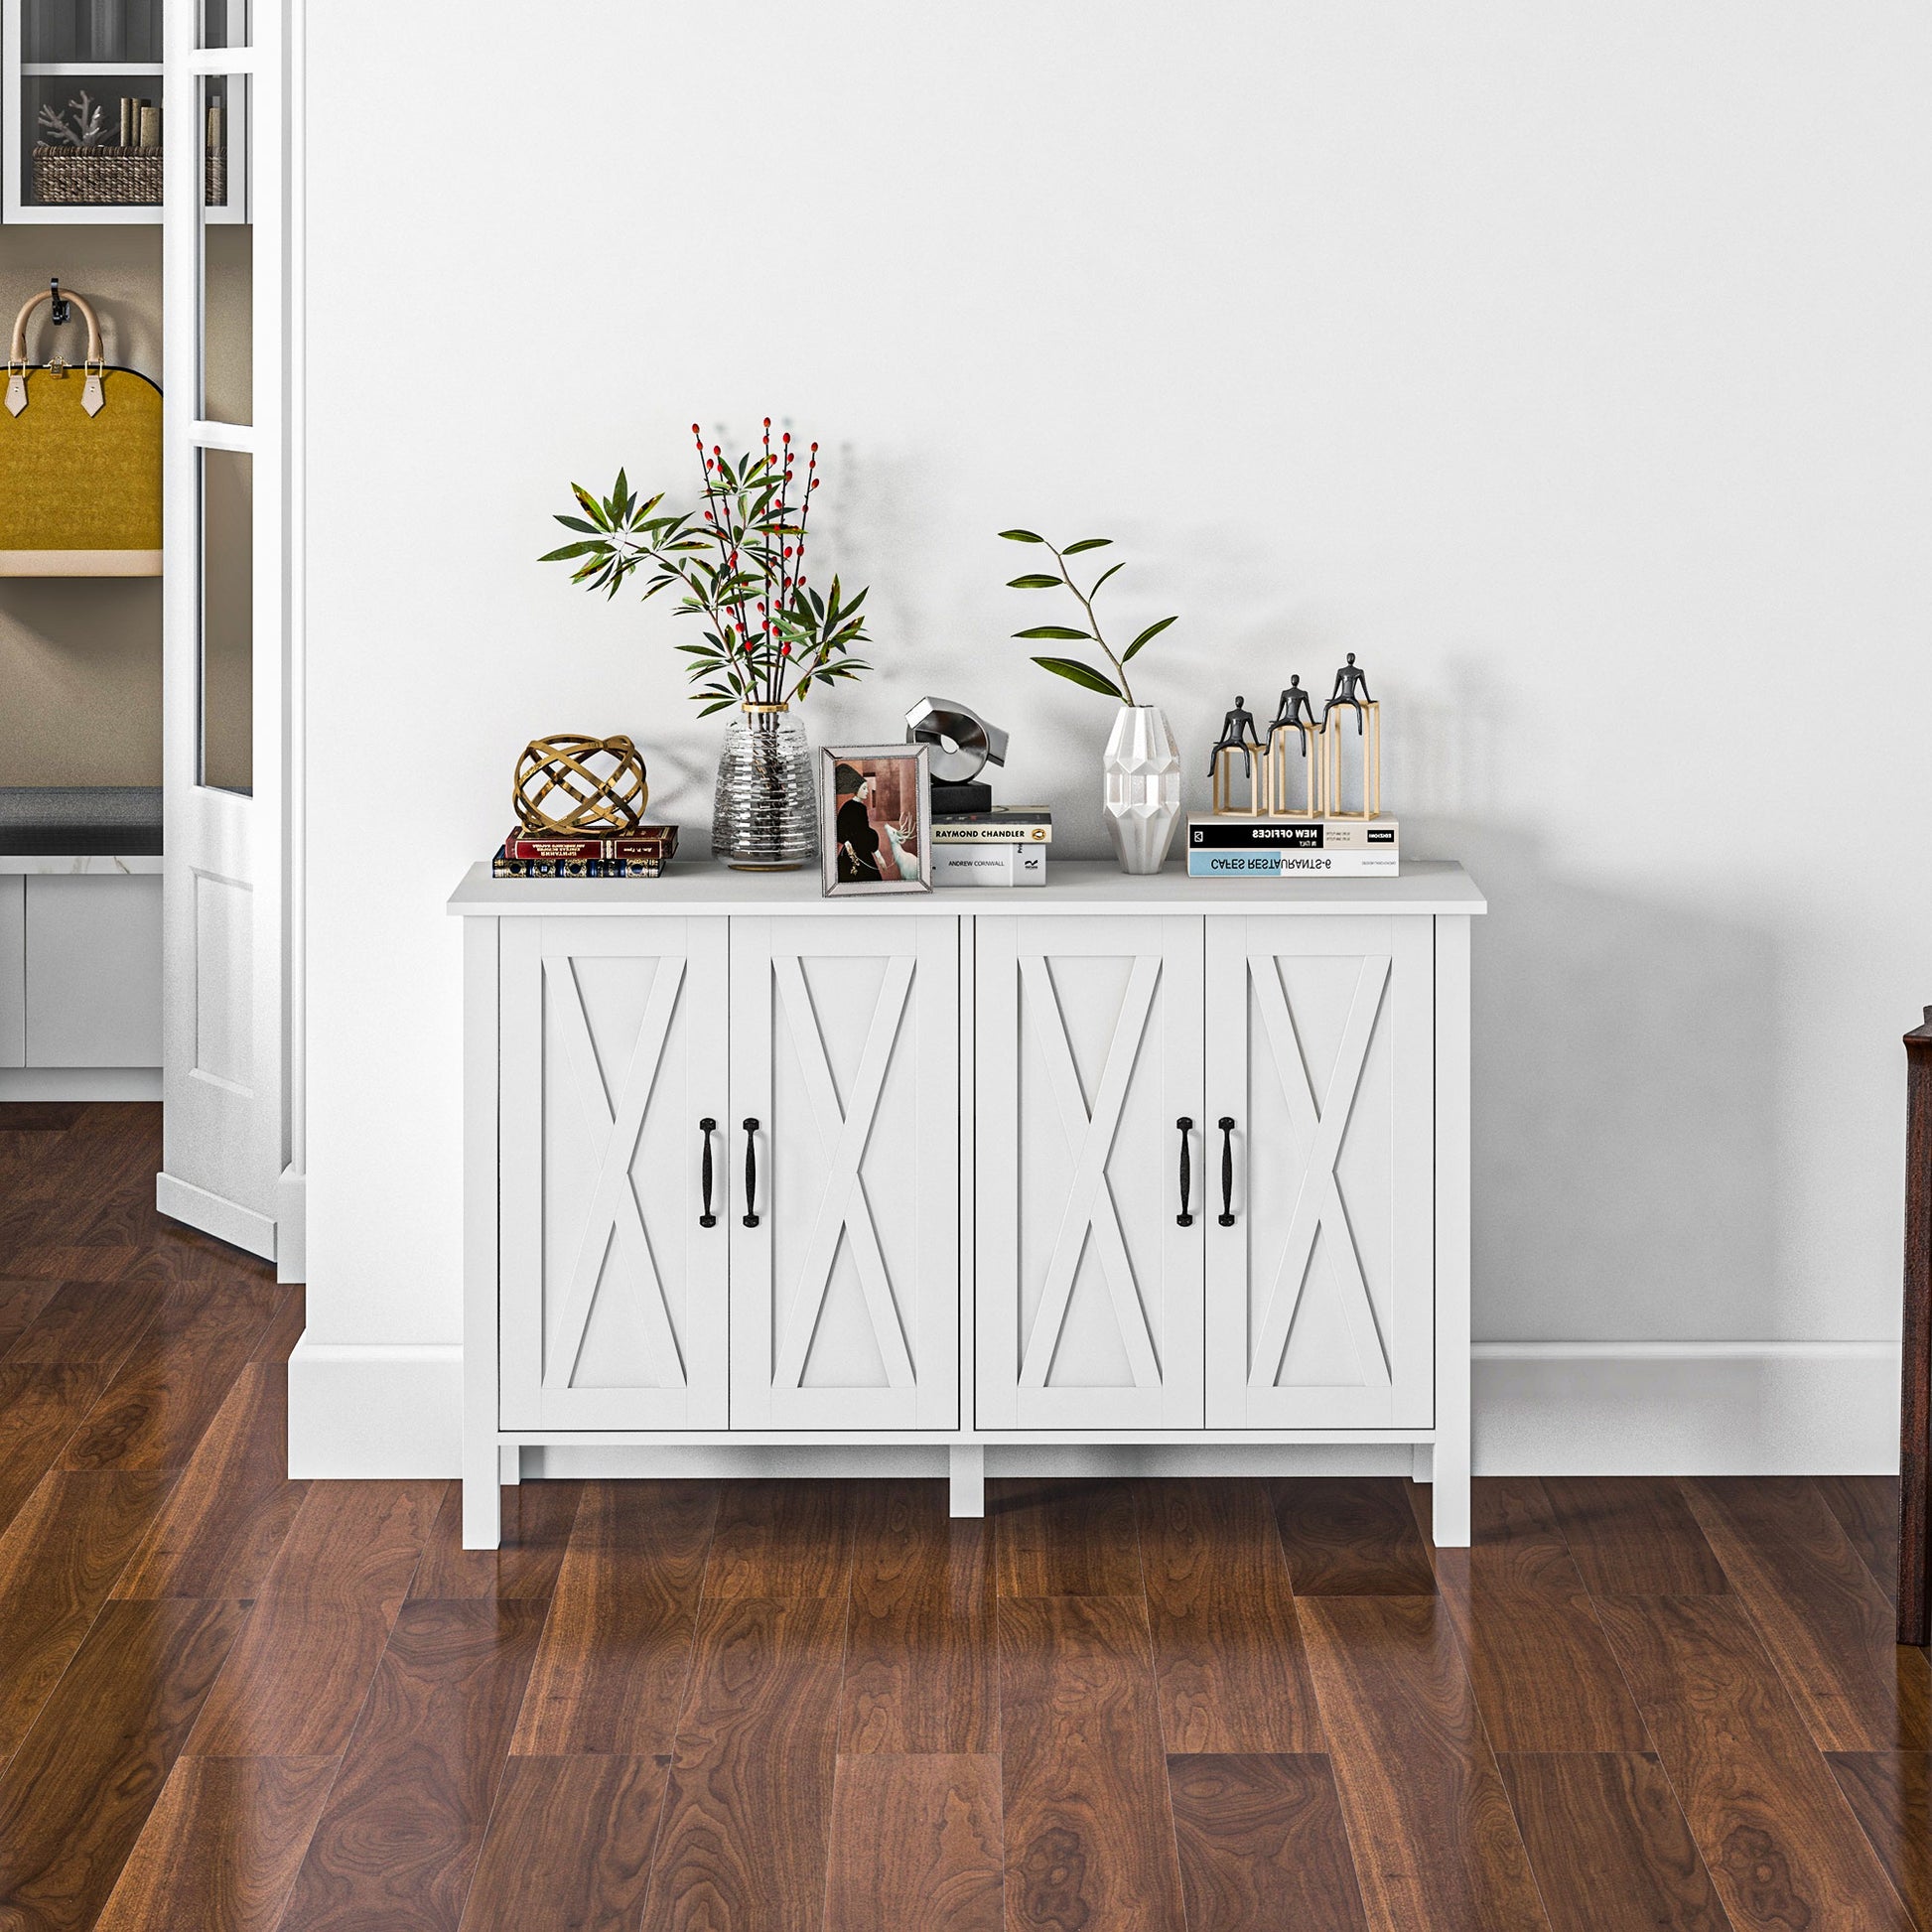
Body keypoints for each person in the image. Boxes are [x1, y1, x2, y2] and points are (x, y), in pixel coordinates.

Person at [833, 762, 903, 883]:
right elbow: (863, 832)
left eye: (867, 788)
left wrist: (846, 842)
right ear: (856, 790)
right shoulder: (859, 808)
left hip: (847, 851)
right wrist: (878, 854)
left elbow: (841, 828)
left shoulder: (847, 806)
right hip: (858, 851)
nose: (867, 791)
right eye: (864, 788)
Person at [1206, 695, 1263, 778]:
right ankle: (1211, 771)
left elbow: (1252, 730)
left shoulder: (1243, 714)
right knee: (1216, 750)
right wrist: (1221, 741)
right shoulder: (1233, 714)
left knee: (1245, 751)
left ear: (1236, 703)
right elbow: (1225, 729)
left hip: (1233, 740)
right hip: (1236, 740)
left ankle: (1247, 773)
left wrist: (1221, 741)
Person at [1322, 652, 1374, 733]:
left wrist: (1369, 700)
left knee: (1358, 708)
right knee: (1326, 707)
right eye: (1349, 657)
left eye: (1351, 657)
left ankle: (1360, 730)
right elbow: (1336, 686)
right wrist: (1332, 698)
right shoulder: (1341, 671)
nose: (1350, 659)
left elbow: (1364, 687)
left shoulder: (1359, 671)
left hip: (1351, 697)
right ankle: (1323, 727)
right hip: (1342, 697)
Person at [1271, 675, 1320, 752]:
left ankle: (1303, 750)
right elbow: (1280, 707)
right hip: (1291, 719)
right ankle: (1268, 749)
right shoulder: (1289, 693)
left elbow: (1308, 709)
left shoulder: (1297, 693)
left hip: (1291, 719)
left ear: (1291, 681)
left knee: (1302, 730)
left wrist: (1276, 720)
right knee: (1270, 729)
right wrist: (1276, 720)